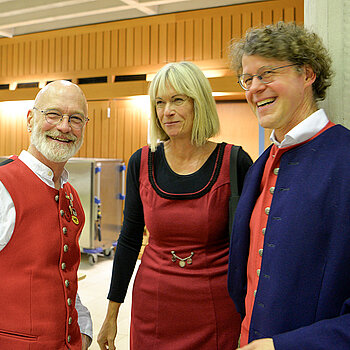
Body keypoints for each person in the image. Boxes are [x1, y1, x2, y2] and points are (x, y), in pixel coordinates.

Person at [97, 61, 252, 350]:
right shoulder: (141, 162)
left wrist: (252, 316)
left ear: (199, 103)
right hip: (154, 307)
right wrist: (111, 313)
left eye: (178, 100)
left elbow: (253, 246)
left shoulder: (234, 162)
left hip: (216, 307)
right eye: (159, 102)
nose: (167, 111)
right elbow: (130, 240)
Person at [227, 21, 350, 350]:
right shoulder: (261, 164)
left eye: (266, 74)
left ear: (307, 74)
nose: (254, 88)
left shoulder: (346, 158)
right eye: (247, 79)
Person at [0, 80, 93, 349]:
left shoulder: (72, 195)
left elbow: (66, 276)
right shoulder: (3, 187)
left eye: (75, 118)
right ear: (30, 119)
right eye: (53, 114)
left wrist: (83, 333)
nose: (64, 127)